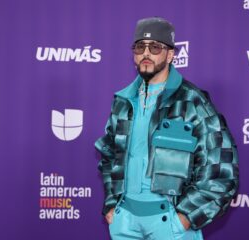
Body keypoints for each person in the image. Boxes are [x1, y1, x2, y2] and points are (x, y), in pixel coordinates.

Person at [95, 16, 239, 240]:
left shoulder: (193, 102)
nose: (146, 53)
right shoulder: (123, 102)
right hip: (125, 224)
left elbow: (221, 169)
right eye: (139, 46)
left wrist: (185, 218)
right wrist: (113, 205)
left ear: (170, 55)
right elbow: (109, 156)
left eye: (155, 47)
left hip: (170, 225)